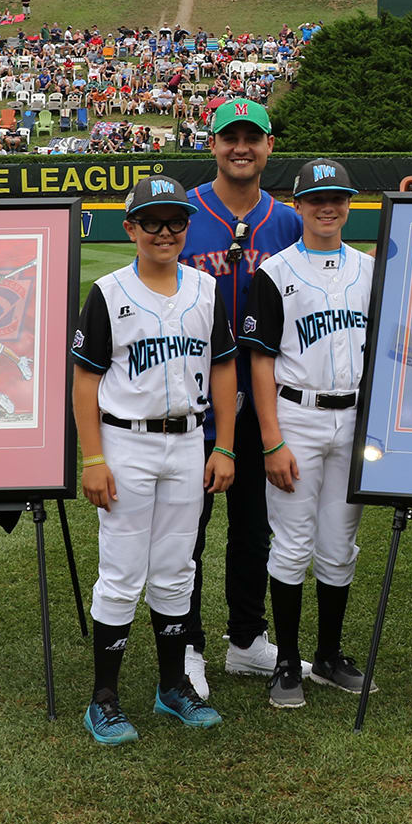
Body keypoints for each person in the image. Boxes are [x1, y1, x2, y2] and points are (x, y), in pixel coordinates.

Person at [71, 176, 236, 745]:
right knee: (121, 572)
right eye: (152, 221)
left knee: (176, 570)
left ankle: (172, 689)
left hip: (189, 440)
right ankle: (104, 698)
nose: (165, 232)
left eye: (175, 221)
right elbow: (85, 382)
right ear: (131, 228)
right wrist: (93, 457)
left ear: (187, 228)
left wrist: (225, 445)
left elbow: (223, 369)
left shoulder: (205, 289)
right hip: (128, 442)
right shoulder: (109, 292)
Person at [240, 158, 374, 707]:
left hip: (354, 418)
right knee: (293, 544)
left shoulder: (368, 271)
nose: (328, 207)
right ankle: (288, 662)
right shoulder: (275, 271)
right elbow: (260, 362)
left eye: (338, 198)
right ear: (298, 206)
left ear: (349, 203)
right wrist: (271, 439)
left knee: (340, 545)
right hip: (296, 415)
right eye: (317, 199)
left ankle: (327, 656)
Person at [179, 97, 302, 693]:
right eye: (230, 137)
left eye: (252, 137)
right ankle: (190, 646)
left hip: (262, 402)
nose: (241, 147)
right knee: (190, 528)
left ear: (269, 145)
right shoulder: (184, 214)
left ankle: (248, 639)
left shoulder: (288, 221)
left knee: (256, 527)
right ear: (214, 145)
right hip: (193, 400)